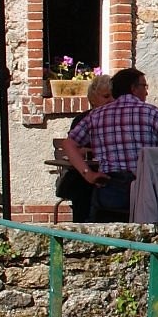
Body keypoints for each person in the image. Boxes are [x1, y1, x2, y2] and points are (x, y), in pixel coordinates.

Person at [62, 68, 158, 220]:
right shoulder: (151, 112)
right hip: (146, 190)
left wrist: (88, 174)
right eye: (144, 86)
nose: (147, 92)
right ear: (133, 88)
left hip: (109, 189)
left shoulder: (96, 115)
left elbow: (69, 144)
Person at [55, 73, 114, 222]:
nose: (112, 101)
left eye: (114, 97)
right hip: (85, 173)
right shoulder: (84, 119)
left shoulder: (118, 119)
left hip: (112, 174)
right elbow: (74, 148)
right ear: (93, 99)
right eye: (106, 97)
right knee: (83, 187)